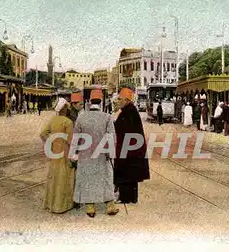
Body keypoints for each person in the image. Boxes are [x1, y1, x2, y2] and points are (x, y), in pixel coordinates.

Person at [71, 89, 119, 218]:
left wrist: (73, 154)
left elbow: (76, 138)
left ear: (89, 101)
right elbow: (111, 137)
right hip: (102, 154)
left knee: (88, 179)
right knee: (106, 178)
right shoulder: (107, 117)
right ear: (101, 101)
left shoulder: (81, 117)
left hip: (85, 154)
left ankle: (90, 207)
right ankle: (110, 206)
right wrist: (111, 154)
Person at [113, 88, 150, 204]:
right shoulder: (130, 111)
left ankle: (125, 198)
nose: (117, 101)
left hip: (128, 150)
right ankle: (132, 198)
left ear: (127, 100)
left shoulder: (128, 112)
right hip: (133, 149)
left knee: (126, 173)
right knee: (131, 175)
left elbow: (120, 128)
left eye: (120, 99)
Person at [39, 98, 75, 214]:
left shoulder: (53, 120)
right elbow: (70, 141)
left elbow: (42, 133)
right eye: (67, 107)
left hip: (55, 152)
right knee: (64, 178)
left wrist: (50, 142)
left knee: (54, 177)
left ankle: (51, 204)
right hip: (65, 153)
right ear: (64, 109)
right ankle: (62, 205)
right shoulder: (68, 122)